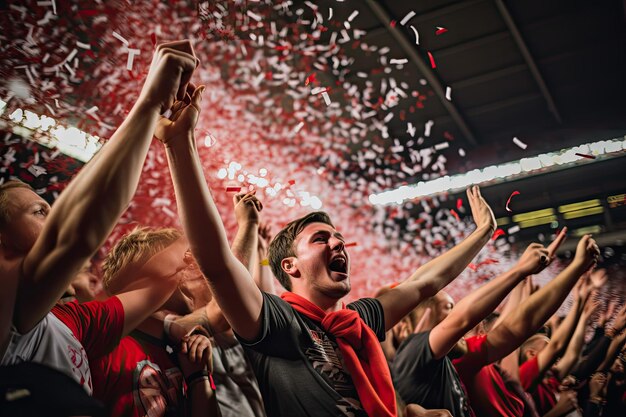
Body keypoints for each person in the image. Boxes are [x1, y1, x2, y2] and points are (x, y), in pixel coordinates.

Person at [160, 75, 499, 416]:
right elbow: (217, 264)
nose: (338, 243)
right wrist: (179, 143)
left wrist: (482, 233)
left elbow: (425, 282)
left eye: (338, 238)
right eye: (320, 239)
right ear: (290, 266)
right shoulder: (278, 321)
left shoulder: (359, 318)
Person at [0, 39, 200, 393]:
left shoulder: (73, 321)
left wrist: (179, 145)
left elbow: (167, 273)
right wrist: (150, 102)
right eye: (39, 211)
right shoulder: (8, 309)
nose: (54, 217)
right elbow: (73, 238)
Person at [391, 239, 560, 417]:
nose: (465, 327)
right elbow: (507, 327)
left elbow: (509, 326)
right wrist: (519, 271)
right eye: (449, 309)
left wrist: (522, 276)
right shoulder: (456, 361)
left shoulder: (449, 365)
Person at [452, 234, 600, 417]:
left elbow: (511, 320)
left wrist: (524, 273)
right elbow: (519, 327)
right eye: (448, 310)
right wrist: (575, 270)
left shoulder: (487, 363)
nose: (478, 321)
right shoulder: (464, 360)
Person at [91, 227, 219, 417]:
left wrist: (198, 377)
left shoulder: (186, 351)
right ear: (154, 274)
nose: (197, 271)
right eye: (185, 262)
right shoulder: (104, 350)